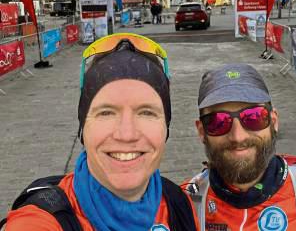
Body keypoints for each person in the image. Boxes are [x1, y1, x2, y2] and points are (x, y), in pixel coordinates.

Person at [3, 33, 200, 231]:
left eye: (146, 112)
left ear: (166, 127)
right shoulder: (39, 221)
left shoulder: (178, 203)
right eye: (106, 113)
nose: (126, 134)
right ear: (83, 128)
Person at [186, 63, 296, 230]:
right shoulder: (185, 203)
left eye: (253, 117)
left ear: (274, 122)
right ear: (202, 131)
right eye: (218, 122)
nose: (238, 137)